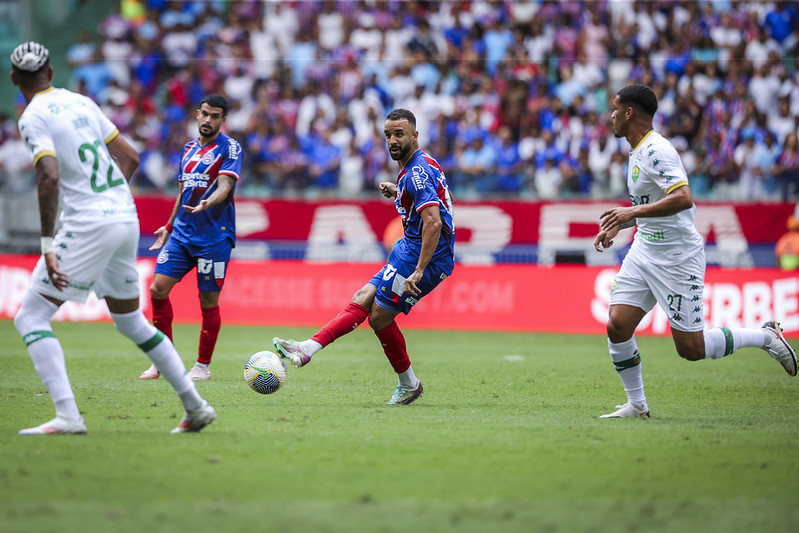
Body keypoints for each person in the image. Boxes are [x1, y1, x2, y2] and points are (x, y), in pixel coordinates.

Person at [9, 41, 215, 434]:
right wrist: (109, 200)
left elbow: (48, 177)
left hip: (87, 223)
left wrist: (48, 245)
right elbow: (132, 157)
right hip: (124, 215)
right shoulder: (82, 102)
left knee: (31, 316)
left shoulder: (32, 116)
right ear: (51, 73)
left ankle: (69, 416)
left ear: (15, 78)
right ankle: (196, 406)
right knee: (131, 321)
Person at [593, 84, 797, 419]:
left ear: (629, 112)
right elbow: (651, 205)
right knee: (617, 325)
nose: (610, 115)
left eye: (615, 108)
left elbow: (684, 197)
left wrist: (631, 213)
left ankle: (764, 337)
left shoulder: (657, 150)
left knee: (692, 349)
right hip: (645, 250)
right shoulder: (637, 151)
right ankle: (638, 405)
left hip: (677, 258)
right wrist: (624, 223)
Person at [271, 108, 455, 405]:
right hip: (408, 248)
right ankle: (308, 348)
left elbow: (433, 221)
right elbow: (426, 202)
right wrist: (399, 192)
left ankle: (409, 384)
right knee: (362, 296)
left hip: (425, 256)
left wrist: (420, 270)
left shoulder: (417, 172)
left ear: (414, 135)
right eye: (388, 135)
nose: (393, 141)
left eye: (399, 134)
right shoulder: (416, 168)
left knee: (380, 318)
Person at [139, 94, 242, 381]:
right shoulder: (187, 149)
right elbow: (183, 192)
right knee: (157, 290)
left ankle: (202, 366)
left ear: (223, 120)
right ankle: (163, 361)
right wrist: (169, 225)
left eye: (215, 116)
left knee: (207, 301)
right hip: (181, 235)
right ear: (198, 114)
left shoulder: (230, 148)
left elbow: (225, 184)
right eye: (205, 114)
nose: (209, 120)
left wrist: (211, 201)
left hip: (214, 238)